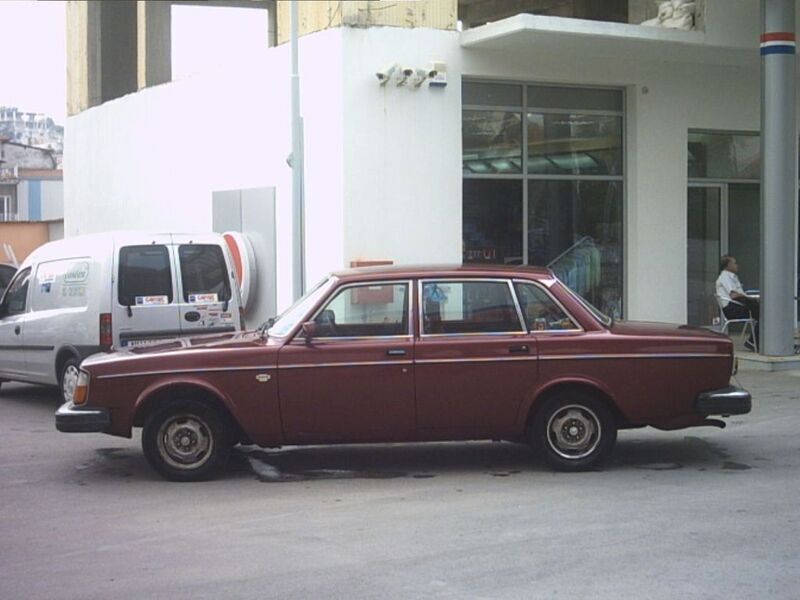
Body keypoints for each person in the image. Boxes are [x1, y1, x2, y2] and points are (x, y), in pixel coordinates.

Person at [715, 255, 759, 351]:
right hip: (732, 309)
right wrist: (750, 298)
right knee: (764, 315)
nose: (737, 265)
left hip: (738, 305)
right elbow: (734, 295)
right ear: (728, 265)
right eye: (734, 263)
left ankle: (753, 342)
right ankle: (753, 342)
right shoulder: (725, 277)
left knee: (764, 313)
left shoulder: (733, 277)